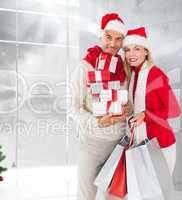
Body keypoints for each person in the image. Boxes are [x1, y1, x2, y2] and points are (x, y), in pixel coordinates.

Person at [69, 12, 131, 200]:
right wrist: (97, 122)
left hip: (118, 144)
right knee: (86, 196)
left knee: (115, 197)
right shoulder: (85, 67)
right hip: (91, 144)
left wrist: (128, 109)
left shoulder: (125, 69)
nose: (113, 44)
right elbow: (73, 107)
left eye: (119, 39)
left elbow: (128, 102)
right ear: (100, 35)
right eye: (109, 37)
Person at [123, 27, 181, 174]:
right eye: (127, 50)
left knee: (159, 192)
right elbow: (135, 109)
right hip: (139, 143)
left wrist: (144, 115)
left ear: (146, 51)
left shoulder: (155, 74)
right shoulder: (133, 76)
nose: (131, 54)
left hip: (159, 144)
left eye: (137, 49)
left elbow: (174, 110)